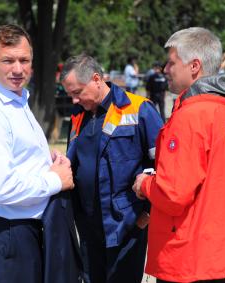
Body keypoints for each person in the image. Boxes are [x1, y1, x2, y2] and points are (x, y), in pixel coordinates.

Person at [132, 27, 225, 283]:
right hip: (218, 248)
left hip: (188, 252)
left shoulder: (191, 116)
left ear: (194, 66)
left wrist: (144, 184)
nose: (165, 69)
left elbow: (173, 194)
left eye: (171, 62)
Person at [0, 24, 75, 283]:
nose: (18, 69)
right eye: (8, 60)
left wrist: (46, 161)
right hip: (5, 235)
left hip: (21, 232)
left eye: (25, 60)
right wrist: (55, 181)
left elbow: (15, 156)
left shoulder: (13, 99)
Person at [60, 54, 163, 283]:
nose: (74, 100)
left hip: (126, 227)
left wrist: (146, 216)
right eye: (70, 95)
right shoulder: (78, 116)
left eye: (77, 92)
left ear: (97, 79)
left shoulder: (140, 110)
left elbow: (164, 167)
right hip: (87, 229)